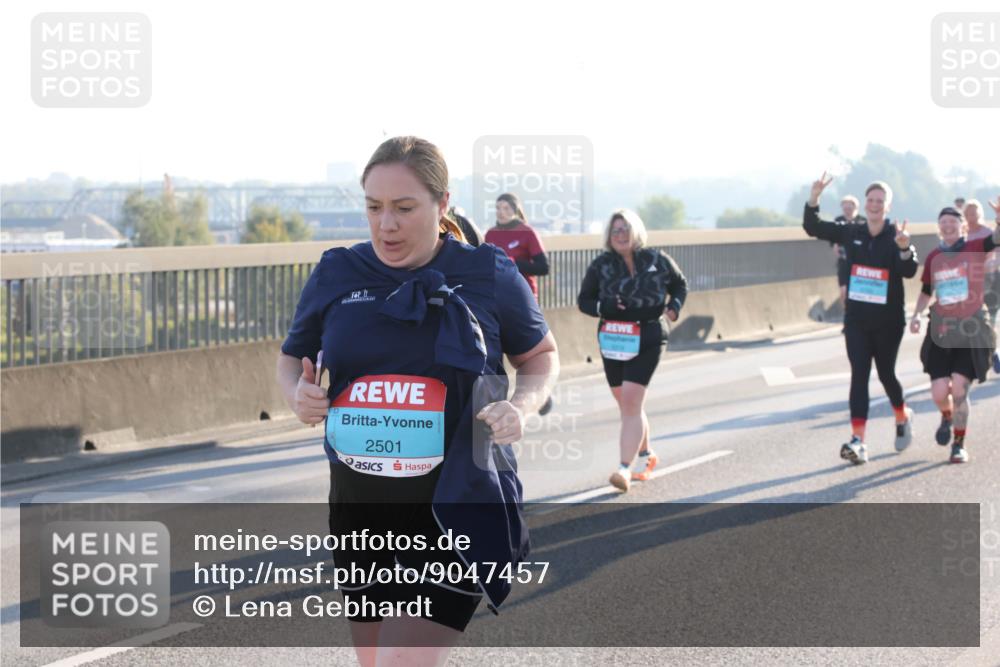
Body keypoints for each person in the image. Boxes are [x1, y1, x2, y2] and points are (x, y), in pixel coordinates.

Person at [276, 136, 558, 665]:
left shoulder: (488, 273)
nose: (387, 225)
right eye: (374, 208)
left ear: (442, 204)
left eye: (404, 208)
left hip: (456, 505)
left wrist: (520, 405)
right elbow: (292, 357)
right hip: (361, 509)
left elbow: (541, 355)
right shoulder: (337, 272)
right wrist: (299, 394)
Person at [803, 173, 918, 464]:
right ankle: (859, 441)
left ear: (887, 207)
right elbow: (813, 227)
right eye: (871, 200)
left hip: (888, 321)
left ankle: (902, 414)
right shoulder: (850, 231)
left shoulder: (897, 236)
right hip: (856, 319)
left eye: (880, 201)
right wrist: (814, 198)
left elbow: (909, 270)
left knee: (886, 373)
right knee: (859, 375)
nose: (875, 205)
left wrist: (904, 248)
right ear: (864, 204)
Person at [577, 209, 688, 492]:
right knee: (628, 404)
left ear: (636, 231)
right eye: (615, 231)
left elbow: (679, 285)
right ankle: (647, 456)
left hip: (649, 332)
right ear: (609, 236)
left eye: (625, 229)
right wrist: (605, 308)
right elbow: (584, 301)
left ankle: (624, 469)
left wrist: (673, 308)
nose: (621, 235)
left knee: (630, 401)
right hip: (614, 337)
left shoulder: (657, 259)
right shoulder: (601, 265)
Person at [909, 206, 999, 463]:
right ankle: (947, 416)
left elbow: (997, 239)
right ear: (939, 227)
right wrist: (916, 314)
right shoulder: (935, 256)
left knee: (959, 388)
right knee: (939, 393)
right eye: (943, 222)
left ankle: (959, 443)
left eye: (952, 222)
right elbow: (927, 290)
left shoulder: (975, 247)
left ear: (962, 226)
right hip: (942, 330)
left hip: (970, 330)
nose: (948, 226)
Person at [485, 193, 550, 300]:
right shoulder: (490, 234)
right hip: (497, 295)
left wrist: (513, 264)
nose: (501, 212)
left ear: (515, 210)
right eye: (498, 208)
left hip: (524, 294)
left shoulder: (527, 232)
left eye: (506, 208)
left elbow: (544, 267)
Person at [962, 199, 1000, 373]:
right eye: (968, 214)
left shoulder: (988, 233)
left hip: (990, 278)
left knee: (989, 319)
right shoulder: (963, 235)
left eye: (974, 213)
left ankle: (994, 353)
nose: (971, 217)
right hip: (969, 282)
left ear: (980, 214)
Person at [830, 195, 867, 305]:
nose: (847, 211)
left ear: (855, 207)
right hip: (844, 262)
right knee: (843, 290)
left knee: (858, 292)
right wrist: (835, 245)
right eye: (845, 208)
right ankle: (847, 313)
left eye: (849, 208)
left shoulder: (863, 221)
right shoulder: (838, 221)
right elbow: (833, 238)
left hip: (859, 263)